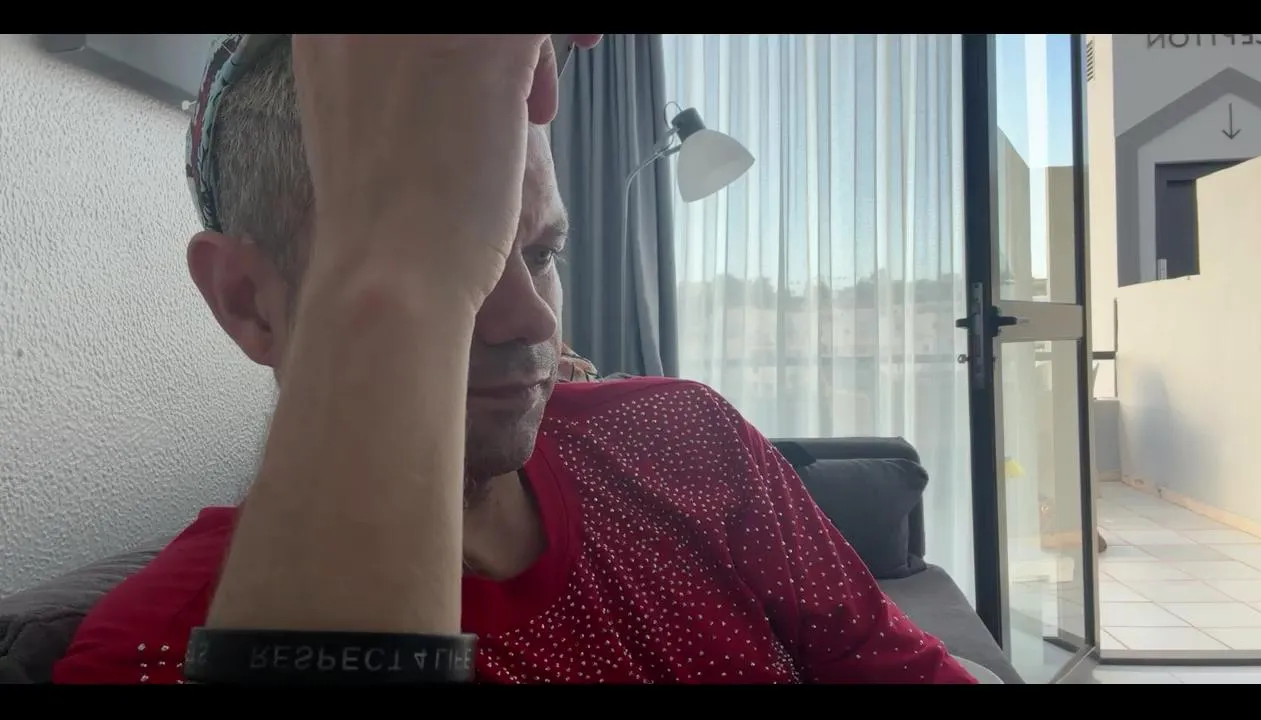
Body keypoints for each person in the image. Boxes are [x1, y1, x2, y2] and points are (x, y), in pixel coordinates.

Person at [52, 34, 977, 685]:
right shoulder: (161, 647)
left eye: (541, 253)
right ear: (247, 303)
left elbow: (896, 665)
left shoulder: (687, 434)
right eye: (443, 259)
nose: (531, 319)